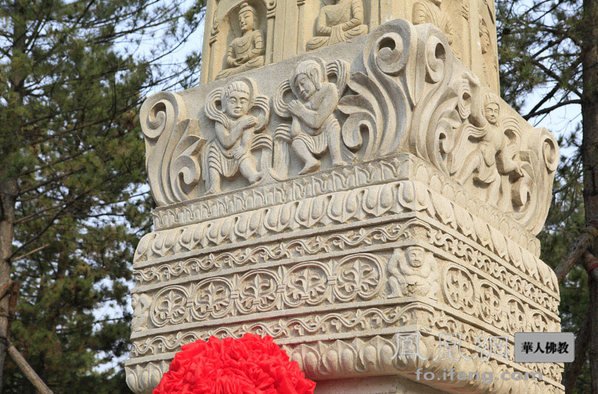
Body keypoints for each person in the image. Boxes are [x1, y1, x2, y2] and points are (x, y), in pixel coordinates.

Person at [455, 94, 523, 205]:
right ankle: (459, 180)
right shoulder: (485, 126)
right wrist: (475, 90)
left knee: (497, 179)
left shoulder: (501, 136)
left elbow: (504, 163)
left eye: (496, 111)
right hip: (481, 157)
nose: (493, 113)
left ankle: (490, 203)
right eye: (489, 110)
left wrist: (515, 165)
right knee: (474, 158)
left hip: (491, 166)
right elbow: (476, 114)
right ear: (484, 111)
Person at [287, 60, 346, 175]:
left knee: (331, 122)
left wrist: (301, 112)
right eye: (298, 88)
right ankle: (310, 161)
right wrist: (294, 116)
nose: (301, 90)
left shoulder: (329, 90)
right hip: (311, 139)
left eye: (303, 84)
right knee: (296, 141)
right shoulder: (303, 104)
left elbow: (317, 121)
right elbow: (295, 133)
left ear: (313, 75)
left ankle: (336, 158)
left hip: (326, 132)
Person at [206, 80, 263, 194]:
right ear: (225, 103)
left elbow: (246, 140)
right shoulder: (221, 121)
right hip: (221, 151)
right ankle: (214, 186)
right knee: (213, 152)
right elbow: (226, 142)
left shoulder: (247, 120)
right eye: (233, 101)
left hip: (237, 152)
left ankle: (251, 175)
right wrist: (240, 126)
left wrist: (243, 148)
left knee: (244, 155)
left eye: (243, 101)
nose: (238, 105)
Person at [217, 2, 265, 79]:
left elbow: (260, 49)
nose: (242, 21)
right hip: (237, 66)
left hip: (250, 62)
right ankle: (238, 71)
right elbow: (229, 58)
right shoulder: (235, 41)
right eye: (240, 19)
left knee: (261, 60)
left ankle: (239, 70)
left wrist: (246, 58)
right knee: (220, 75)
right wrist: (233, 61)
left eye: (246, 17)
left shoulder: (256, 33)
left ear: (254, 19)